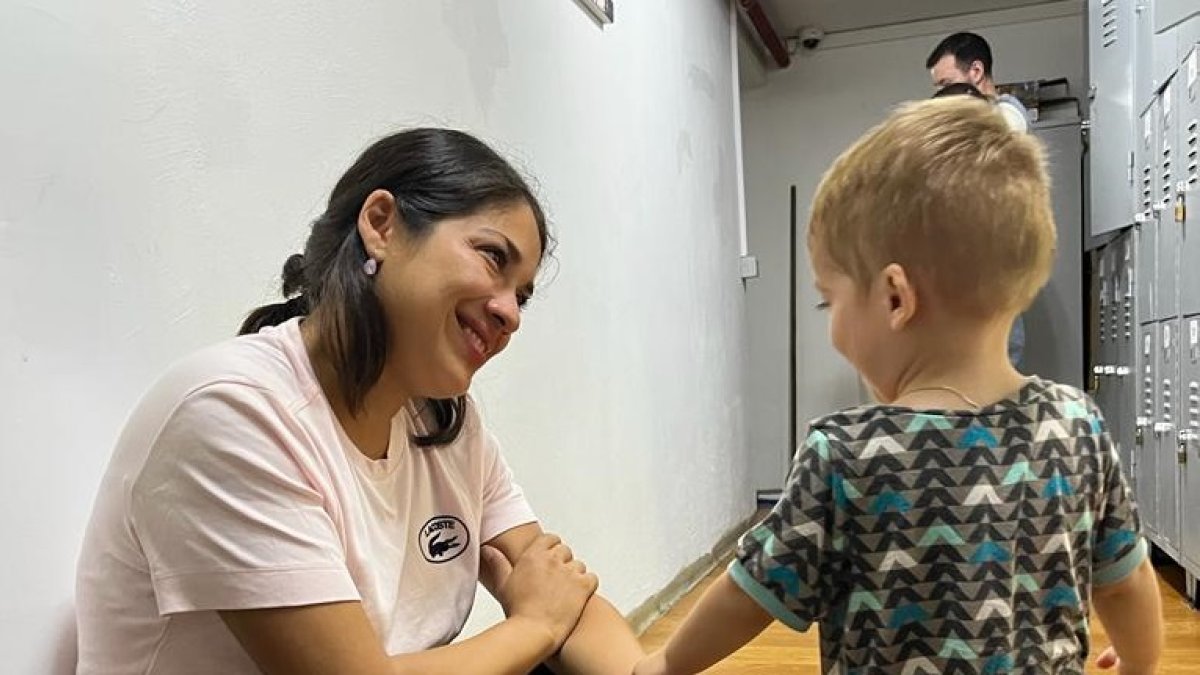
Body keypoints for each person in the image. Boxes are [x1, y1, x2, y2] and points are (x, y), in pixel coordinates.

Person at [75, 128, 644, 674]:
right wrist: (536, 626)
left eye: (522, 296)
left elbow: (555, 584)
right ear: (381, 225)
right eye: (493, 257)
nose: (510, 314)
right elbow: (546, 610)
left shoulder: (445, 422)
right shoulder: (232, 411)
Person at [634, 98, 1164, 674]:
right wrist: (1138, 664)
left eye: (829, 299)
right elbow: (1125, 578)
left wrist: (663, 666)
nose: (831, 324)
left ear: (894, 297)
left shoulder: (845, 453)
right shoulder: (1077, 425)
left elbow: (751, 591)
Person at [927, 31, 1030, 133]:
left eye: (947, 84)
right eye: (938, 87)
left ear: (976, 71)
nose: (940, 95)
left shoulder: (1008, 114)